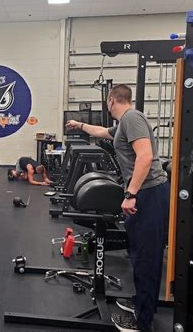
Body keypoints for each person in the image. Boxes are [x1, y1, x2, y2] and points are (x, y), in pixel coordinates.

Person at [66, 84, 169, 332]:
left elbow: (145, 157)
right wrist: (79, 126)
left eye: (107, 101)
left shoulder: (132, 118)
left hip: (148, 193)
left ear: (111, 100)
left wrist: (130, 194)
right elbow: (102, 132)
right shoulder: (124, 123)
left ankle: (142, 323)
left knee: (146, 258)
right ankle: (141, 304)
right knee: (140, 254)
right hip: (145, 192)